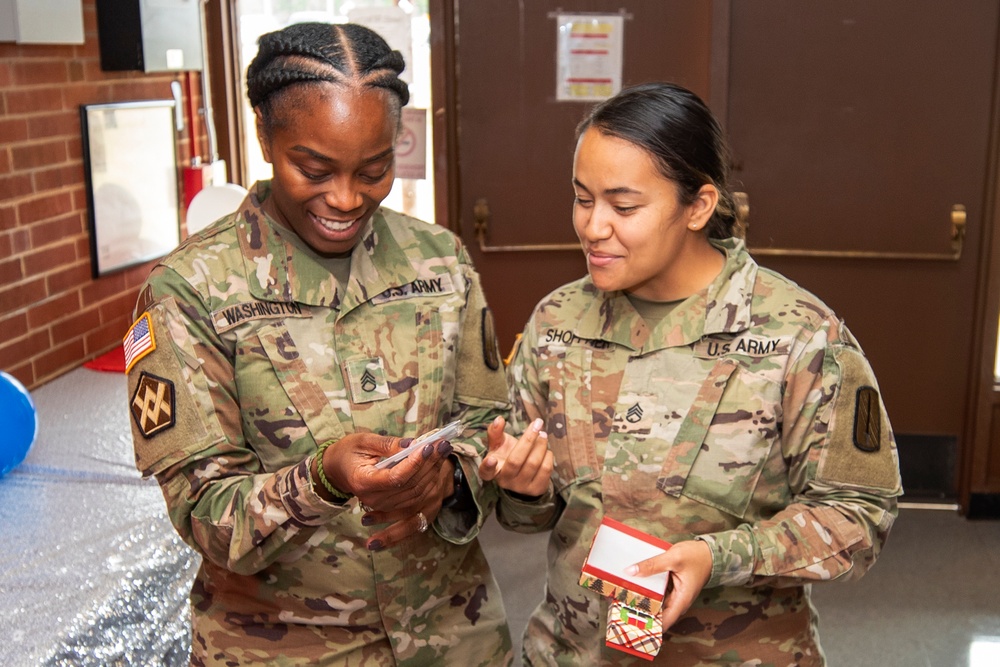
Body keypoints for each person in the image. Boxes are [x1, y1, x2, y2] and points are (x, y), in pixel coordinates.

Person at [124, 22, 515, 666]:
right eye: (313, 168)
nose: (345, 197)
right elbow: (205, 515)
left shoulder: (440, 260)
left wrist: (451, 478)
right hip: (287, 647)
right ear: (262, 134)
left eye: (374, 169)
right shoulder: (190, 290)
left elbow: (486, 423)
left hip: (454, 636)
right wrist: (321, 480)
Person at [482, 82, 903, 665]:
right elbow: (537, 514)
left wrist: (718, 556)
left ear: (699, 207)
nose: (593, 227)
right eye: (583, 199)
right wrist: (520, 489)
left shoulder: (801, 335)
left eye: (624, 207)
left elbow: (859, 516)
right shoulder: (558, 322)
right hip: (573, 652)